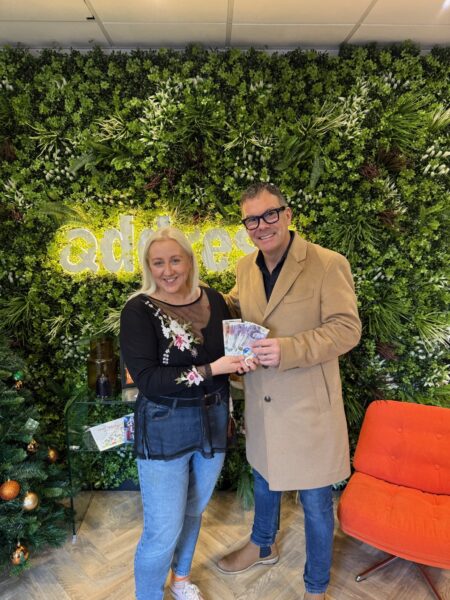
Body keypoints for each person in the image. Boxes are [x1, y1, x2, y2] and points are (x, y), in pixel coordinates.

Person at [217, 183, 361, 600]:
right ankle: (263, 545)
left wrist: (289, 349)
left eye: (269, 214)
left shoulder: (327, 263)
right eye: (251, 220)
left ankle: (315, 587)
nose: (261, 226)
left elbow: (347, 329)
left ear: (287, 214)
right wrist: (198, 300)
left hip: (308, 406)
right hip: (263, 402)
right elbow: (242, 307)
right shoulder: (245, 266)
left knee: (315, 502)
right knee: (264, 479)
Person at [120, 226, 253, 600]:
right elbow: (149, 381)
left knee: (194, 510)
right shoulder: (138, 310)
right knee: (163, 529)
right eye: (158, 262)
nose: (168, 270)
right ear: (148, 267)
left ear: (190, 262)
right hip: (164, 424)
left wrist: (240, 365)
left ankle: (180, 580)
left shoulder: (215, 300)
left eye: (175, 260)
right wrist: (214, 369)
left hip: (214, 420)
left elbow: (228, 356)